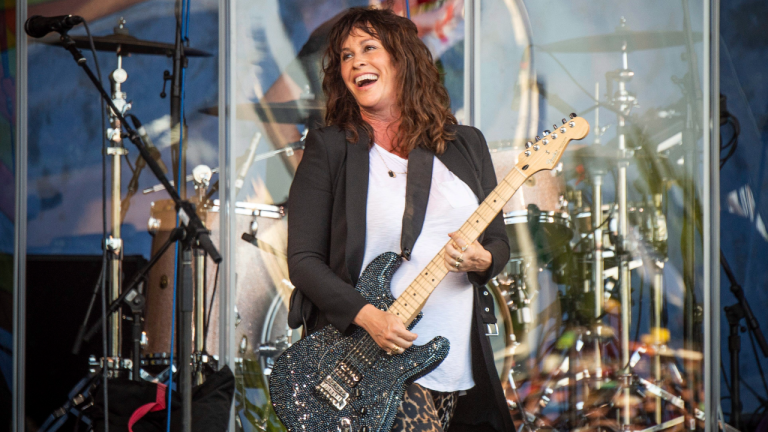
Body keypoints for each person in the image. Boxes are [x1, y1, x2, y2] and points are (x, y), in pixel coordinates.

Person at [286, 7, 514, 432]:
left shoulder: (465, 145)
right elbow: (303, 260)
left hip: (453, 357)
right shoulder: (331, 148)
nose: (356, 62)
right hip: (367, 358)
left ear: (402, 58)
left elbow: (498, 242)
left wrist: (483, 260)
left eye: (368, 48)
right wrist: (368, 316)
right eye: (346, 56)